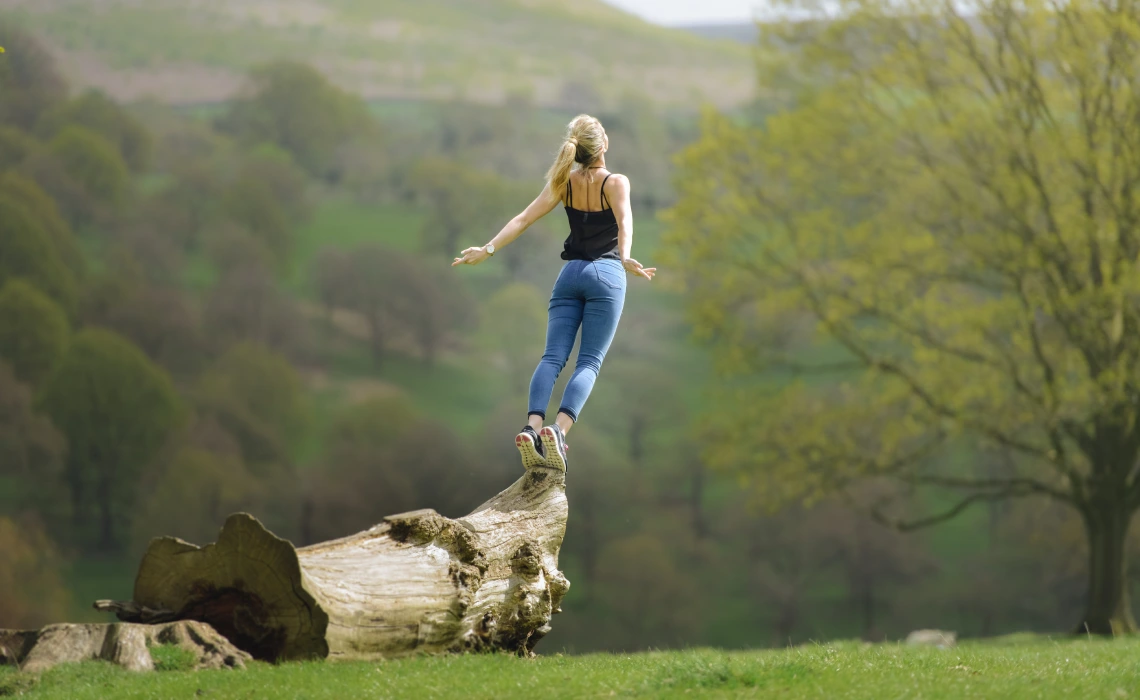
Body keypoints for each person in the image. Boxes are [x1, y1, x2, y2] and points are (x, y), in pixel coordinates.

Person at [452, 114, 655, 472]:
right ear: (603, 145)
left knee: (552, 358)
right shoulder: (616, 182)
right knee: (589, 362)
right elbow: (625, 221)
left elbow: (523, 219)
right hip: (606, 275)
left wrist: (487, 249)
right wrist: (624, 258)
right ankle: (558, 432)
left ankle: (531, 428)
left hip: (569, 276)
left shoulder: (565, 182)